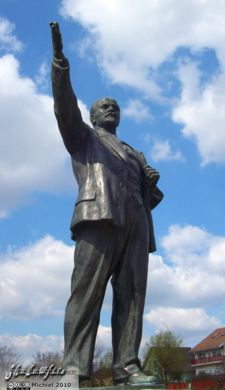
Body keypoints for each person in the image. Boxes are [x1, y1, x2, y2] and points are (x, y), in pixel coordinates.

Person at [50, 22, 163, 386]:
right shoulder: (83, 137)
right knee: (86, 292)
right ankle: (75, 368)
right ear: (94, 116)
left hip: (136, 223)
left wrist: (151, 184)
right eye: (103, 106)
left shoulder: (134, 151)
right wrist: (60, 64)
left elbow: (152, 196)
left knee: (132, 297)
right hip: (99, 215)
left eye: (115, 106)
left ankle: (127, 367)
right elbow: (65, 108)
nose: (110, 108)